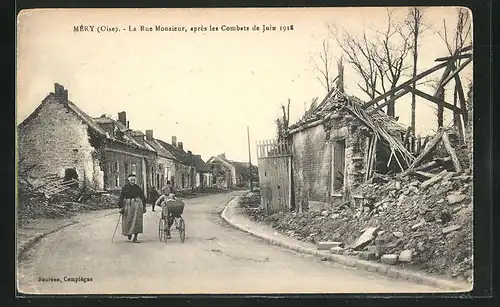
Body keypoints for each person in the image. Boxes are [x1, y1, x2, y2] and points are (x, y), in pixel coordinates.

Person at [118, 173, 147, 243]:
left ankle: (135, 237)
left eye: (134, 180)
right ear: (129, 180)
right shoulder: (125, 187)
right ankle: (129, 233)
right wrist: (120, 207)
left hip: (137, 204)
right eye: (131, 180)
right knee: (128, 220)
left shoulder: (137, 187)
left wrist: (144, 206)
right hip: (128, 205)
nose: (133, 181)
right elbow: (121, 197)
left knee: (137, 221)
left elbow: (142, 196)